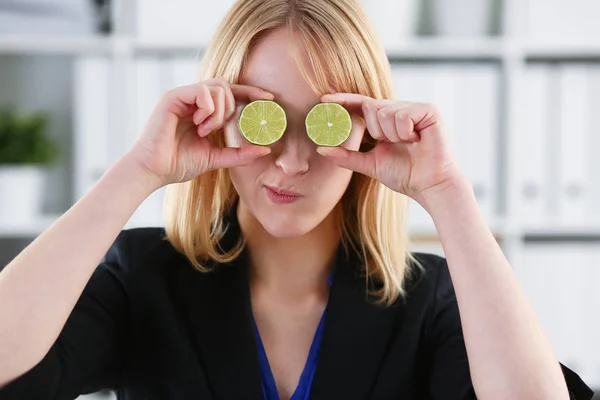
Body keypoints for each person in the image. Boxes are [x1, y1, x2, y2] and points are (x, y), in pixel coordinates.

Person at [0, 0, 594, 399]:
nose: (291, 160)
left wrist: (447, 192)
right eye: (265, 119)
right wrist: (136, 171)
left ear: (365, 128)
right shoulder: (142, 278)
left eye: (326, 124)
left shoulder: (430, 301)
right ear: (220, 117)